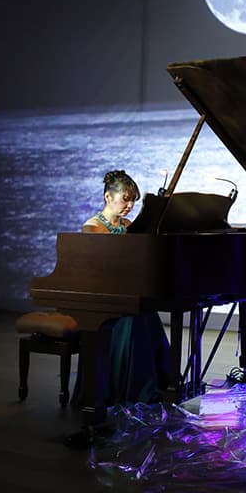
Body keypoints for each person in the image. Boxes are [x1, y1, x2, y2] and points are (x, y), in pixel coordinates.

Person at [77, 170, 170, 406]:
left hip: (122, 293)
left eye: (133, 201)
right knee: (134, 318)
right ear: (108, 197)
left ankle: (158, 384)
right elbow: (95, 270)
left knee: (147, 314)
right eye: (125, 199)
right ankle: (133, 390)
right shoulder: (93, 227)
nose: (129, 205)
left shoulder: (129, 226)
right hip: (101, 297)